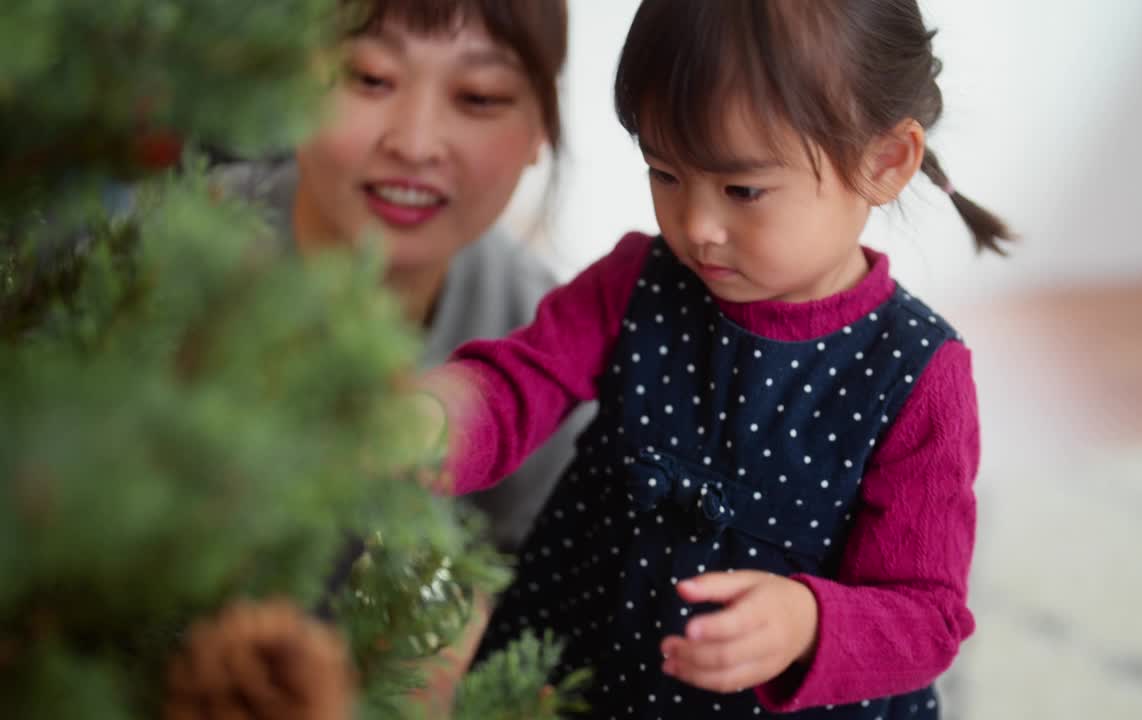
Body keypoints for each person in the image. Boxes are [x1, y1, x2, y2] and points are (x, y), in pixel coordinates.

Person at [420, 0, 1013, 717]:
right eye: (665, 172)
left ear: (884, 162)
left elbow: (927, 615)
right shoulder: (637, 280)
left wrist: (807, 622)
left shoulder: (915, 373)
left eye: (743, 190)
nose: (697, 227)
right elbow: (521, 379)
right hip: (586, 655)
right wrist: (430, 416)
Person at [219, 0, 583, 557]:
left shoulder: (552, 354)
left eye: (479, 96)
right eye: (371, 78)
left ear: (542, 127)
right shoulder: (129, 264)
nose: (414, 145)